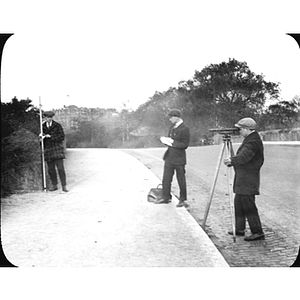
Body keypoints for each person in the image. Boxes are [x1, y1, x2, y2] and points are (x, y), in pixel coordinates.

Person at [224, 117, 264, 241]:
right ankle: (240, 228)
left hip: (248, 178)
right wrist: (233, 161)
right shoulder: (250, 139)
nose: (239, 131)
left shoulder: (252, 142)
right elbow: (244, 157)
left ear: (247, 129)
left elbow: (244, 156)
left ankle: (257, 231)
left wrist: (232, 160)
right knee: (239, 203)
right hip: (244, 177)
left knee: (248, 205)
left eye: (240, 129)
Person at [157, 109, 190, 207]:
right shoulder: (172, 127)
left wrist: (172, 142)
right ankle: (166, 197)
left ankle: (183, 199)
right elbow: (169, 140)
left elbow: (185, 144)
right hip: (169, 157)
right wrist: (165, 141)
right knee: (166, 179)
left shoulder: (185, 128)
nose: (170, 119)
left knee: (181, 179)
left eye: (171, 117)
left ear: (177, 117)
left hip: (179, 158)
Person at [40, 111, 68, 192]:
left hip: (57, 149)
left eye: (50, 117)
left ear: (52, 117)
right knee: (51, 169)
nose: (48, 119)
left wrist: (51, 136)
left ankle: (64, 186)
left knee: (60, 169)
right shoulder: (42, 126)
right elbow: (40, 139)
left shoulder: (57, 125)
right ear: (44, 117)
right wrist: (40, 137)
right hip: (48, 150)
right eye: (47, 117)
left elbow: (61, 137)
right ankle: (54, 185)